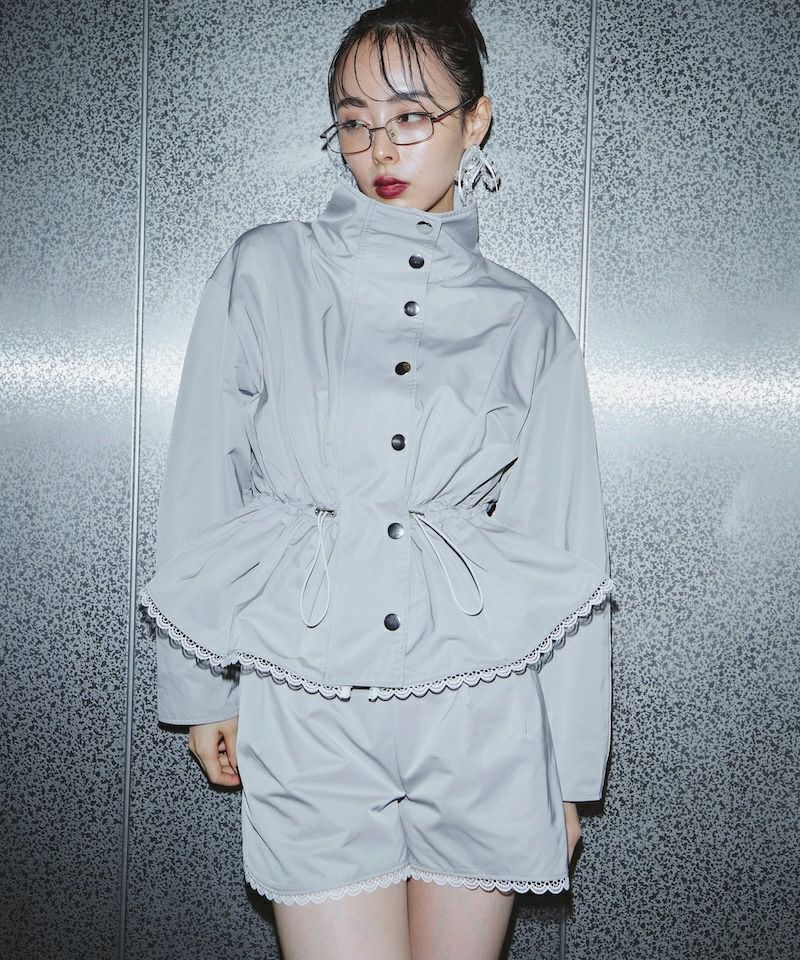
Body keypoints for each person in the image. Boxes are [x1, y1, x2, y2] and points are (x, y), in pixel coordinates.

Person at [139, 1, 614, 957]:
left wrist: (567, 772)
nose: (380, 147)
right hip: (308, 698)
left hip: (481, 714)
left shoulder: (528, 321)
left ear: (475, 120)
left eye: (411, 115)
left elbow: (563, 550)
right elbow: (203, 478)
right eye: (353, 121)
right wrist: (200, 688)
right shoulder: (264, 270)